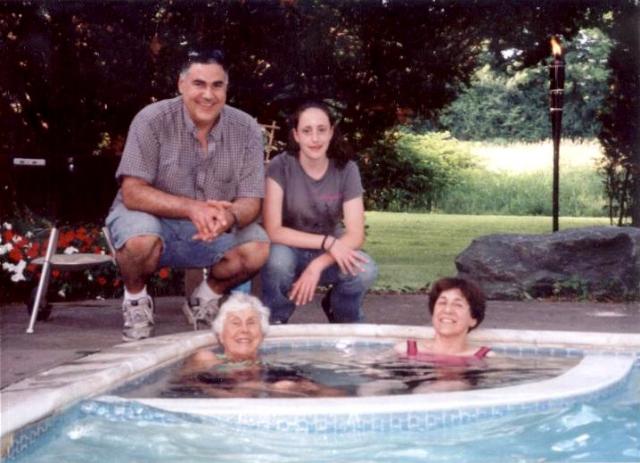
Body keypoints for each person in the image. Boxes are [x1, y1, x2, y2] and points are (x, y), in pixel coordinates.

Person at [106, 48, 269, 341]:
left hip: (209, 228)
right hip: (150, 222)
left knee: (257, 247)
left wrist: (229, 215)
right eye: (199, 84)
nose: (208, 95)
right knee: (140, 240)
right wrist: (193, 208)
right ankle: (136, 300)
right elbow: (132, 192)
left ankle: (203, 300)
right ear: (181, 84)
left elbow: (251, 200)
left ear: (226, 89)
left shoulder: (246, 129)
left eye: (217, 85)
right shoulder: (151, 120)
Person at [260, 100, 378, 324]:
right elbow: (273, 230)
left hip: (327, 253)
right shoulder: (280, 166)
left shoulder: (347, 169)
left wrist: (317, 264)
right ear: (296, 135)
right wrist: (328, 242)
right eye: (307, 131)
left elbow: (356, 235)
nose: (315, 138)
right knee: (277, 262)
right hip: (287, 248)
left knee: (366, 270)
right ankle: (275, 319)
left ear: (331, 132)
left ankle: (341, 312)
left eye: (321, 130)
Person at [178, 292, 345, 398]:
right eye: (235, 323)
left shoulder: (277, 372)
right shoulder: (208, 359)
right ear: (221, 336)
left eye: (251, 323)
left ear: (262, 334)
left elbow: (338, 395)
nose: (244, 330)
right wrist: (260, 388)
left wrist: (304, 388)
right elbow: (188, 384)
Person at [394, 277, 492, 361]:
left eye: (458, 305)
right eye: (442, 303)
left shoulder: (486, 359)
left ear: (473, 319)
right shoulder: (404, 351)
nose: (448, 310)